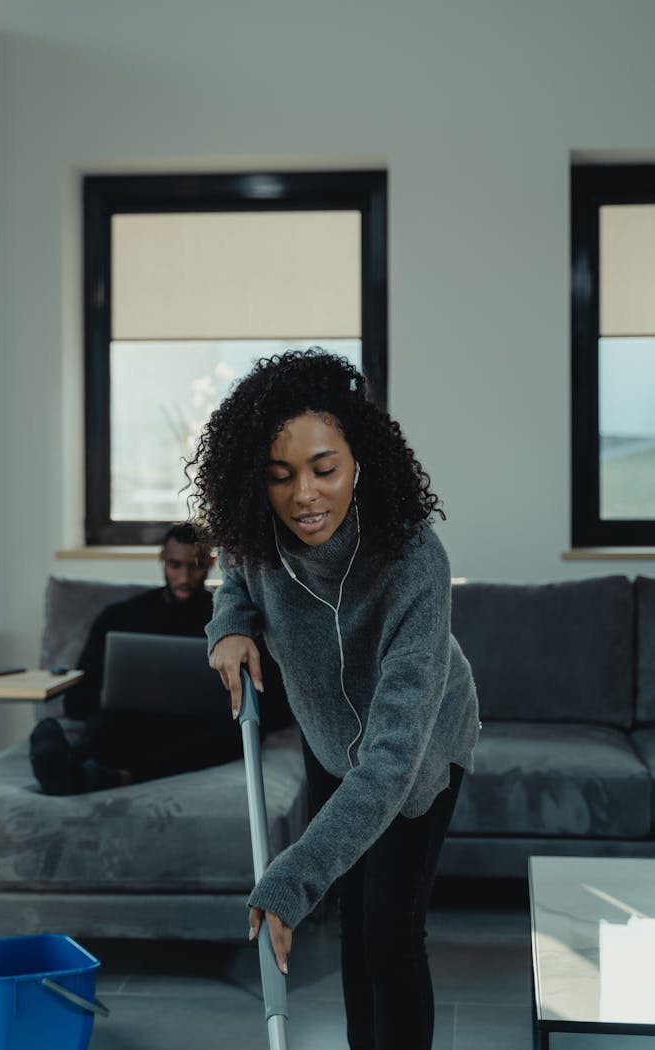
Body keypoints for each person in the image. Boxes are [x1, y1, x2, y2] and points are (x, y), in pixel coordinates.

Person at [188, 349, 480, 1050]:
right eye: (279, 475)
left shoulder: (413, 561)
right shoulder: (261, 537)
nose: (304, 497)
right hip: (329, 738)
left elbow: (390, 761)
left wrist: (290, 879)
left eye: (325, 469)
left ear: (359, 463)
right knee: (354, 927)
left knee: (390, 933)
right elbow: (235, 575)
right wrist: (228, 628)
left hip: (416, 752)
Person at [30, 523, 289, 794]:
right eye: (175, 565)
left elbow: (277, 703)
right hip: (132, 724)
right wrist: (107, 695)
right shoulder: (120, 616)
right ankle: (66, 763)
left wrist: (236, 697)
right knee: (105, 725)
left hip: (193, 729)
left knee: (240, 731)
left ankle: (106, 777)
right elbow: (74, 701)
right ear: (162, 561)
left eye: (196, 565)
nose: (185, 577)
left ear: (212, 563)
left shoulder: (230, 621)